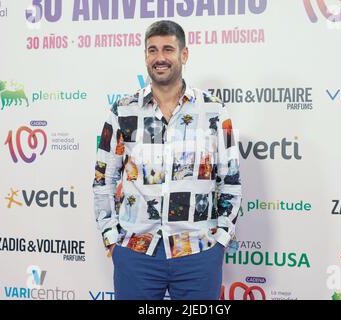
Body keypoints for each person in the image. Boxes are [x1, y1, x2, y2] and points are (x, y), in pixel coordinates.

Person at [93, 20, 242, 300]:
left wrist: (221, 240)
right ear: (146, 56)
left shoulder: (214, 111)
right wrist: (111, 238)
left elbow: (231, 181)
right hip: (136, 252)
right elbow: (103, 178)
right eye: (152, 50)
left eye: (168, 49)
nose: (159, 57)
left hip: (198, 252)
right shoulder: (122, 111)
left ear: (183, 55)